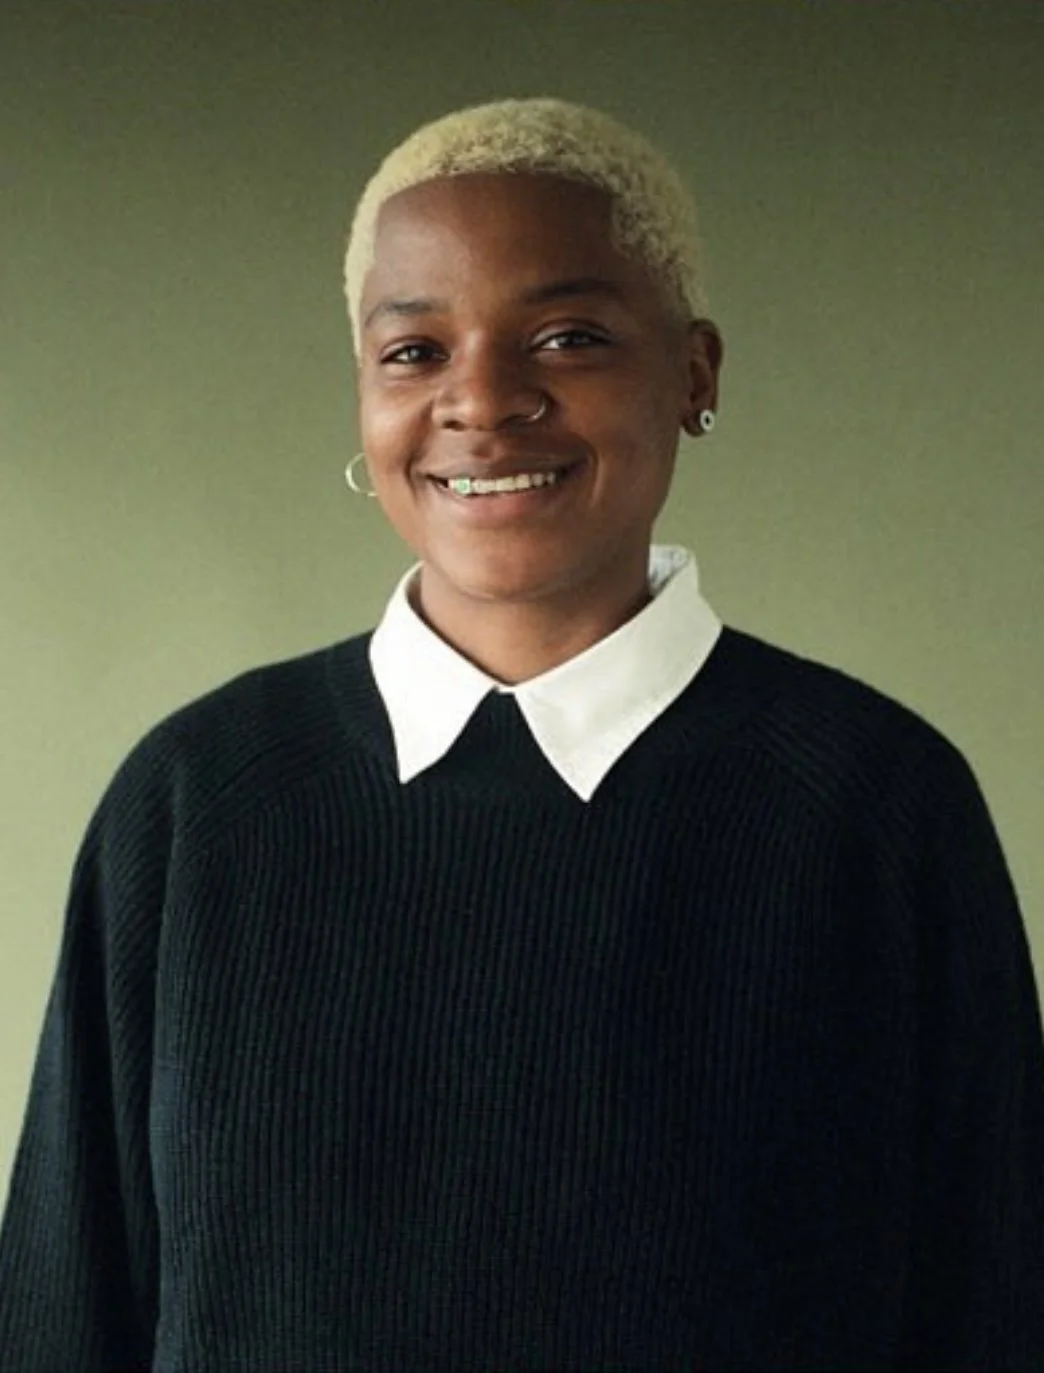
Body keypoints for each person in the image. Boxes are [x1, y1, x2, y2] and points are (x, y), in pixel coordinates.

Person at [1, 96, 1042, 1372]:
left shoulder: (876, 803)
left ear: (696, 372)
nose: (482, 399)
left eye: (568, 335)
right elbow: (66, 1301)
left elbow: (995, 1296)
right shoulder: (197, 798)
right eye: (414, 351)